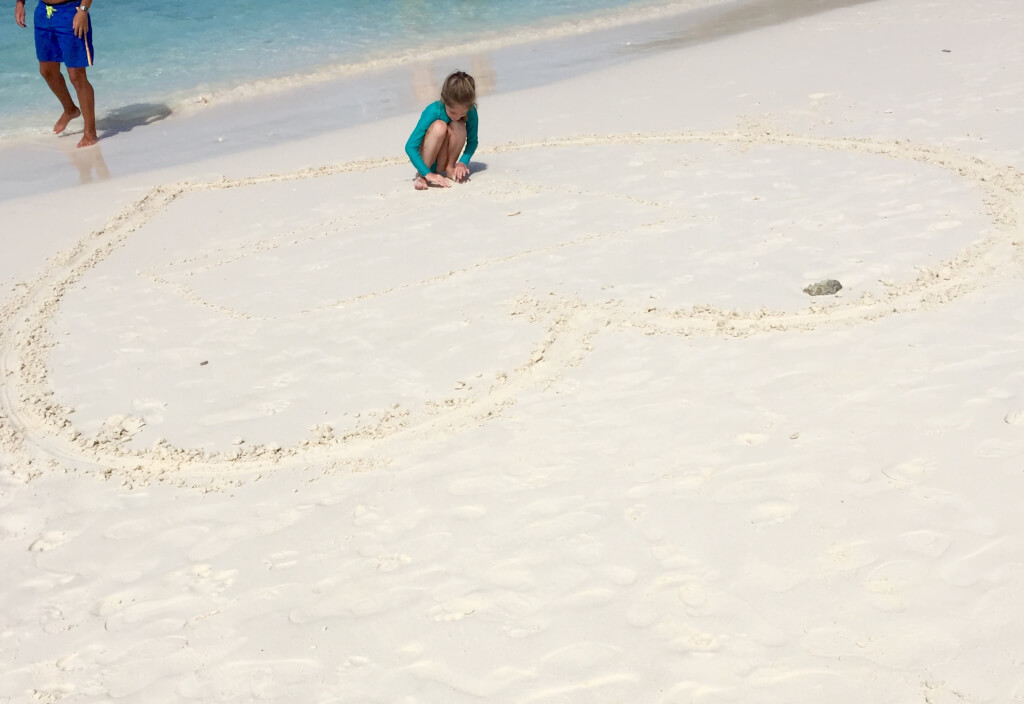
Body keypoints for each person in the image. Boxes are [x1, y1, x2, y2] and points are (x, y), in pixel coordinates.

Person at [14, 0, 98, 148]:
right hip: (43, 13)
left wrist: (83, 10)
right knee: (47, 71)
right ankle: (70, 109)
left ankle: (90, 133)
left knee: (76, 75)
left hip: (70, 12)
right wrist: (20, 3)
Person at [405, 70, 478, 190]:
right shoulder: (434, 110)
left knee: (459, 125)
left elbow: (472, 141)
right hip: (427, 161)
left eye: (462, 113)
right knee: (440, 126)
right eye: (453, 112)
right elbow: (410, 146)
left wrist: (463, 162)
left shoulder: (471, 111)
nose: (457, 116)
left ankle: (450, 168)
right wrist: (426, 173)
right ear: (444, 100)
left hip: (445, 161)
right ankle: (422, 176)